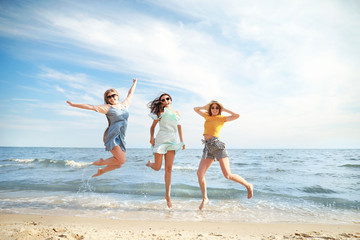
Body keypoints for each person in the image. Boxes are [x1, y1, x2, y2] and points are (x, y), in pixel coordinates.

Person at [66, 79, 137, 177]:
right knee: (122, 160)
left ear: (117, 96)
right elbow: (90, 106)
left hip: (121, 137)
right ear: (107, 99)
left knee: (119, 164)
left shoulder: (125, 105)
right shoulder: (107, 108)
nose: (112, 98)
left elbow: (130, 94)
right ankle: (101, 162)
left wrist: (134, 83)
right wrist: (74, 105)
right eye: (109, 97)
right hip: (112, 136)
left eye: (113, 95)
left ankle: (102, 171)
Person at [194, 100, 253, 210]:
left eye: (217, 108)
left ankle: (248, 185)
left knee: (228, 175)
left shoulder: (222, 118)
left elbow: (236, 116)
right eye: (213, 108)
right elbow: (195, 109)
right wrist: (205, 107)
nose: (215, 110)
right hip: (207, 147)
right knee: (199, 173)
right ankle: (205, 198)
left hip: (217, 146)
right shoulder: (207, 116)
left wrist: (224, 109)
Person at [146, 93, 185, 208]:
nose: (166, 101)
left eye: (167, 99)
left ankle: (167, 195)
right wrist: (151, 138)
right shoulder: (160, 113)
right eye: (163, 100)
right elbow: (152, 127)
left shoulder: (177, 113)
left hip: (172, 141)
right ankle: (150, 164)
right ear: (161, 103)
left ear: (171, 100)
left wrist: (182, 141)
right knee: (157, 167)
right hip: (161, 141)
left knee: (169, 169)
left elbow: (179, 127)